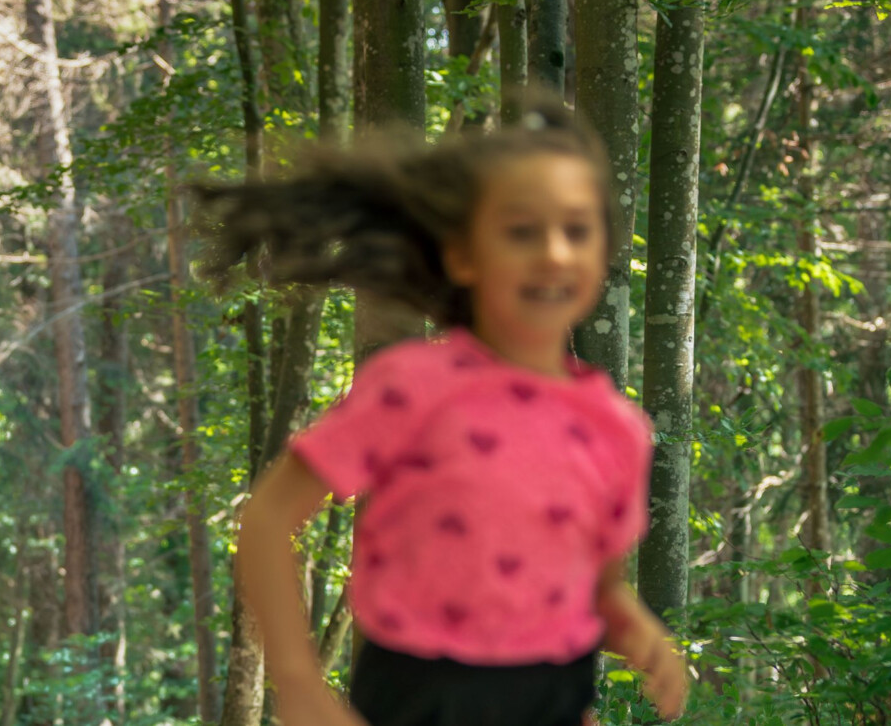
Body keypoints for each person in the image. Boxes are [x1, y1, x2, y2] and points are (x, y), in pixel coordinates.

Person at [212, 102, 689, 726]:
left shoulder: (618, 428)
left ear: (603, 254)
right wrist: (300, 686)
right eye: (521, 231)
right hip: (416, 696)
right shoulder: (411, 388)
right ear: (463, 256)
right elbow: (269, 521)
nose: (552, 252)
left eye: (577, 230)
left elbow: (599, 586)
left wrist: (640, 632)